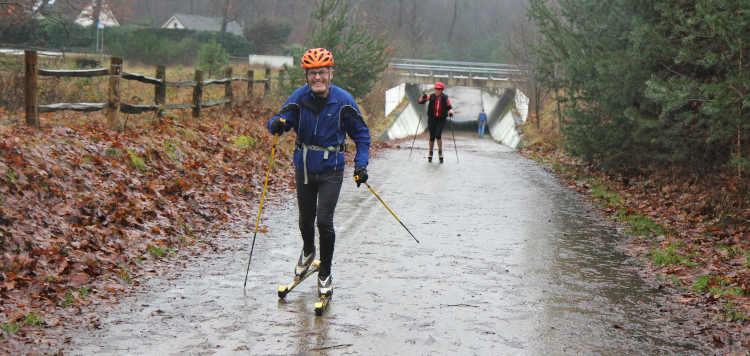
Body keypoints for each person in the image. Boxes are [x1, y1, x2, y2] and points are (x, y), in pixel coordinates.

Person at [267, 48, 371, 297]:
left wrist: (361, 165)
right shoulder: (299, 97)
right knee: (305, 221)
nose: (317, 78)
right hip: (303, 167)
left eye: (322, 73)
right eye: (313, 73)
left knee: (323, 221)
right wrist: (277, 124)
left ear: (330, 73)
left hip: (331, 170)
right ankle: (308, 250)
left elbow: (362, 134)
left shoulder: (344, 100)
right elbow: (280, 121)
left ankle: (325, 272)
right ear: (306, 75)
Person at [418, 82, 454, 163]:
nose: (437, 91)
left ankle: (440, 152)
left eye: (439, 89)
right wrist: (422, 97)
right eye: (436, 89)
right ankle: (430, 152)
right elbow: (421, 102)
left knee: (438, 135)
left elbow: (450, 108)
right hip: (432, 118)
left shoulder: (445, 98)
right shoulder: (431, 96)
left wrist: (451, 112)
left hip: (441, 119)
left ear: (442, 90)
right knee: (432, 137)